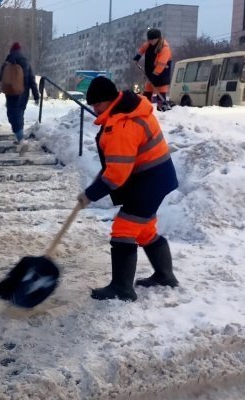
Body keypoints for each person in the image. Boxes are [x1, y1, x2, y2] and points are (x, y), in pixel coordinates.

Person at [77, 76, 179, 301]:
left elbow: (117, 174)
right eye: (92, 104)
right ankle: (165, 275)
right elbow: (116, 165)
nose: (94, 109)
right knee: (144, 230)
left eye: (97, 104)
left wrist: (90, 194)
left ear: (108, 100)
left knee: (124, 230)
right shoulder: (125, 111)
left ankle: (122, 289)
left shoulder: (122, 124)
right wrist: (94, 187)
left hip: (150, 181)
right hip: (154, 178)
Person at [0, 42, 40, 155]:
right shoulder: (26, 62)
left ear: (11, 50)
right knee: (19, 114)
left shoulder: (8, 60)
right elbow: (32, 80)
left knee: (12, 115)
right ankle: (20, 138)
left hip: (12, 93)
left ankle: (21, 139)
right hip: (24, 94)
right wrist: (36, 96)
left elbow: (1, 77)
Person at [133, 28, 172, 111]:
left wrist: (154, 75)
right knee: (148, 90)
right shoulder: (149, 44)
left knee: (161, 90)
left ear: (158, 38)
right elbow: (142, 49)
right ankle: (144, 107)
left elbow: (161, 64)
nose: (150, 42)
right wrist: (137, 57)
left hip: (162, 73)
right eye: (149, 40)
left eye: (152, 40)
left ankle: (162, 108)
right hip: (150, 71)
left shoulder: (164, 48)